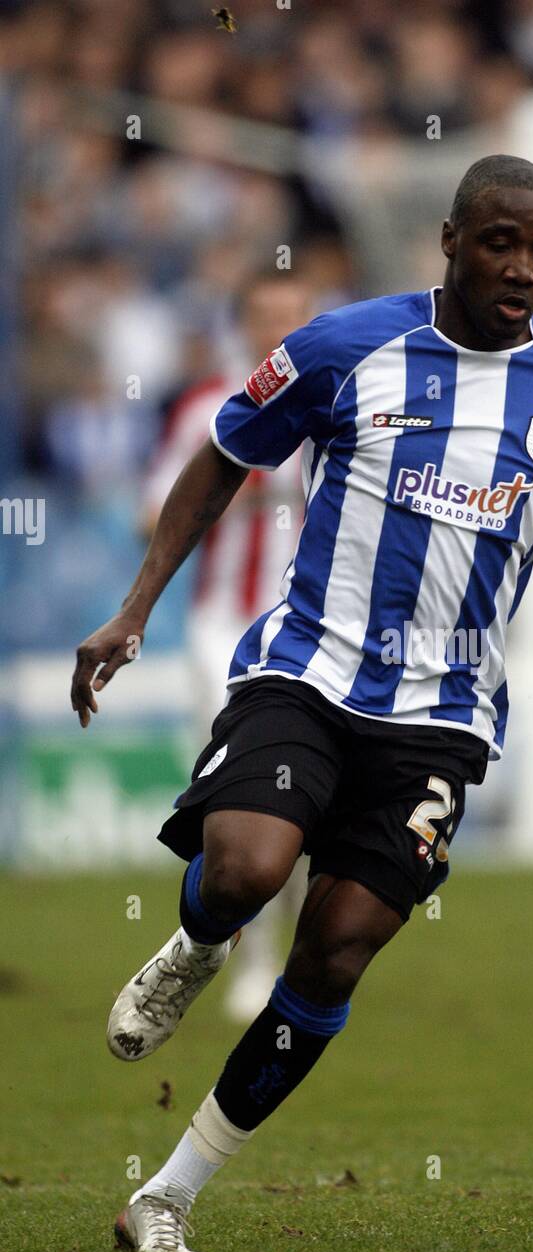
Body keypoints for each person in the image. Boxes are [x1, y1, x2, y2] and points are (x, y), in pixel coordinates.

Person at [70, 154, 533, 1252]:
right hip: (311, 672)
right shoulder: (345, 348)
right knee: (245, 871)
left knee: (334, 951)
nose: (520, 268)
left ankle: (168, 1195)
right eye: (497, 243)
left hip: (445, 718)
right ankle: (193, 944)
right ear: (448, 240)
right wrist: (134, 612)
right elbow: (223, 454)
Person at [140, 271, 312, 1020]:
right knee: (241, 792)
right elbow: (155, 512)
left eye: (292, 318)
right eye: (265, 317)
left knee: (300, 805)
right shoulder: (209, 409)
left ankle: (270, 962)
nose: (277, 330)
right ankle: (221, 944)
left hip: (308, 631)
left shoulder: (338, 402)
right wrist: (245, 487)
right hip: (223, 629)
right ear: (241, 323)